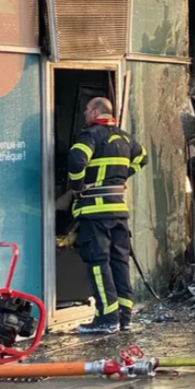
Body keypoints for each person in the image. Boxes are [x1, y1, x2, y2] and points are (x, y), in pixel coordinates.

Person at [67, 97, 148, 334]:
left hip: (95, 213)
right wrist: (120, 178)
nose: (84, 113)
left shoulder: (91, 135)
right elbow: (142, 157)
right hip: (118, 211)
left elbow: (76, 159)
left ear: (95, 112)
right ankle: (124, 318)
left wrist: (78, 186)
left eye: (86, 110)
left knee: (98, 263)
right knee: (119, 262)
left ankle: (106, 319)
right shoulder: (123, 137)